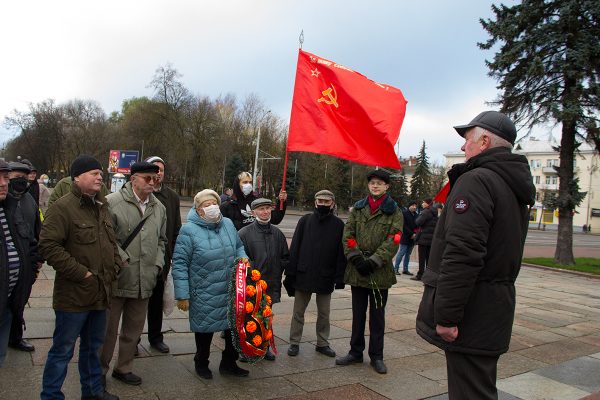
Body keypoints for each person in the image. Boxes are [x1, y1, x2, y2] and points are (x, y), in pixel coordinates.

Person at [416, 111, 536, 399]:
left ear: (484, 141)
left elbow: (463, 253)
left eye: (467, 139)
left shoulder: (478, 180)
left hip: (471, 311)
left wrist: (446, 316)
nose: (462, 147)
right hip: (492, 308)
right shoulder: (510, 183)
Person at [39, 155, 121, 400]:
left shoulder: (101, 206)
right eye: (94, 173)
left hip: (101, 293)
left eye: (100, 173)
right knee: (62, 350)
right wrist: (82, 274)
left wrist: (115, 265)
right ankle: (51, 395)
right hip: (74, 296)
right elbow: (49, 246)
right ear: (77, 177)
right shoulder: (62, 207)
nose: (100, 177)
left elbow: (110, 241)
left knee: (93, 349)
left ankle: (93, 392)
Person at [100, 162, 167, 386]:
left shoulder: (159, 207)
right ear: (133, 179)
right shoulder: (112, 203)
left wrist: (157, 264)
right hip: (118, 277)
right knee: (108, 331)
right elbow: (105, 238)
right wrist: (121, 257)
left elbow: (162, 241)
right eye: (147, 178)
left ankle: (124, 367)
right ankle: (99, 371)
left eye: (155, 179)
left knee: (133, 329)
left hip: (144, 279)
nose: (152, 183)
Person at [172, 189, 249, 380]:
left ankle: (229, 363)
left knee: (233, 328)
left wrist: (243, 259)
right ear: (198, 210)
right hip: (204, 290)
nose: (212, 207)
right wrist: (182, 294)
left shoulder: (228, 224)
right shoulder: (188, 230)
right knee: (205, 329)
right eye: (207, 205)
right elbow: (180, 263)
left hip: (231, 288)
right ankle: (201, 362)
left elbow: (239, 246)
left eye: (214, 203)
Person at [335, 170, 402, 374]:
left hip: (379, 273)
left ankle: (377, 356)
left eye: (380, 183)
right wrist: (355, 257)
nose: (375, 186)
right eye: (372, 183)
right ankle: (355, 352)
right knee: (357, 314)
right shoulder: (359, 208)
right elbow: (348, 234)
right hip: (358, 270)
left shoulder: (393, 211)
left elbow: (394, 239)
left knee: (377, 316)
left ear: (387, 186)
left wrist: (373, 261)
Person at [285, 190, 345, 358]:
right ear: (315, 202)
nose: (323, 204)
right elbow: (295, 246)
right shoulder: (305, 221)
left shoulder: (339, 225)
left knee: (324, 313)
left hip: (326, 275)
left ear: (332, 203)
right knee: (298, 312)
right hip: (304, 273)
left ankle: (322, 343)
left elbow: (341, 253)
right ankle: (294, 342)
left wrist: (340, 276)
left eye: (327, 202)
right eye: (320, 201)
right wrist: (291, 273)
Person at [239, 198, 289, 361]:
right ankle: (247, 348)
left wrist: (279, 268)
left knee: (266, 316)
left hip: (271, 283)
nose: (265, 212)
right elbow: (240, 258)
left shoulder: (277, 234)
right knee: (249, 317)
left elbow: (285, 257)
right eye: (261, 209)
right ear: (253, 213)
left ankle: (264, 345)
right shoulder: (244, 233)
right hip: (251, 285)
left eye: (268, 208)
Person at [0, 160, 40, 367]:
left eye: (6, 178)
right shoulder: (8, 203)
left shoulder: (23, 203)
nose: (4, 183)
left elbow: (34, 234)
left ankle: (14, 337)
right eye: (14, 178)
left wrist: (33, 267)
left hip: (18, 283)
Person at [142, 156, 181, 354]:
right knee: (136, 302)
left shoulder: (172, 197)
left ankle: (155, 337)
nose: (158, 173)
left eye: (162, 170)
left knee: (157, 300)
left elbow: (176, 229)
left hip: (163, 257)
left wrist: (173, 256)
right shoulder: (141, 193)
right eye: (155, 169)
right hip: (140, 257)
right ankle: (130, 340)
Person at [220, 171, 288, 231]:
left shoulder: (258, 202)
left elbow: (276, 219)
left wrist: (282, 201)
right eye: (245, 182)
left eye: (250, 182)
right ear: (237, 184)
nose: (248, 185)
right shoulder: (227, 206)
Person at [411, 198, 438, 281]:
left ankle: (420, 275)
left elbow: (418, 222)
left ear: (427, 204)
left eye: (423, 202)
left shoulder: (425, 212)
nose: (422, 204)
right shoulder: (435, 212)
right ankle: (428, 275)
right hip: (431, 239)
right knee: (428, 258)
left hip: (423, 238)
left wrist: (419, 216)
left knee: (422, 258)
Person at [393, 200, 418, 276]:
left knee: (408, 254)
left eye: (415, 206)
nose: (414, 207)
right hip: (405, 236)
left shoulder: (416, 215)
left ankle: (405, 269)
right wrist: (411, 233)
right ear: (409, 206)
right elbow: (404, 225)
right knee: (401, 253)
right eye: (413, 205)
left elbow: (417, 225)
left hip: (413, 238)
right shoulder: (404, 213)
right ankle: (395, 269)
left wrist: (415, 233)